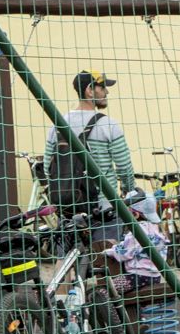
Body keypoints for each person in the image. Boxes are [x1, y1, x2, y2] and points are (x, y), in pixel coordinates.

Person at [45, 70, 136, 235]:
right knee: (106, 249)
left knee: (69, 250)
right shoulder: (108, 125)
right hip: (103, 208)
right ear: (89, 90)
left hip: (67, 210)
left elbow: (47, 168)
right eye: (102, 87)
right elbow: (124, 167)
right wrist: (129, 189)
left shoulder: (58, 125)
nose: (107, 92)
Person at [105, 188, 169, 300]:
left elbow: (123, 253)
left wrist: (109, 251)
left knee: (104, 292)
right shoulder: (157, 229)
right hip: (155, 277)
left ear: (135, 214)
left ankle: (112, 312)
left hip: (135, 277)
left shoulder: (138, 231)